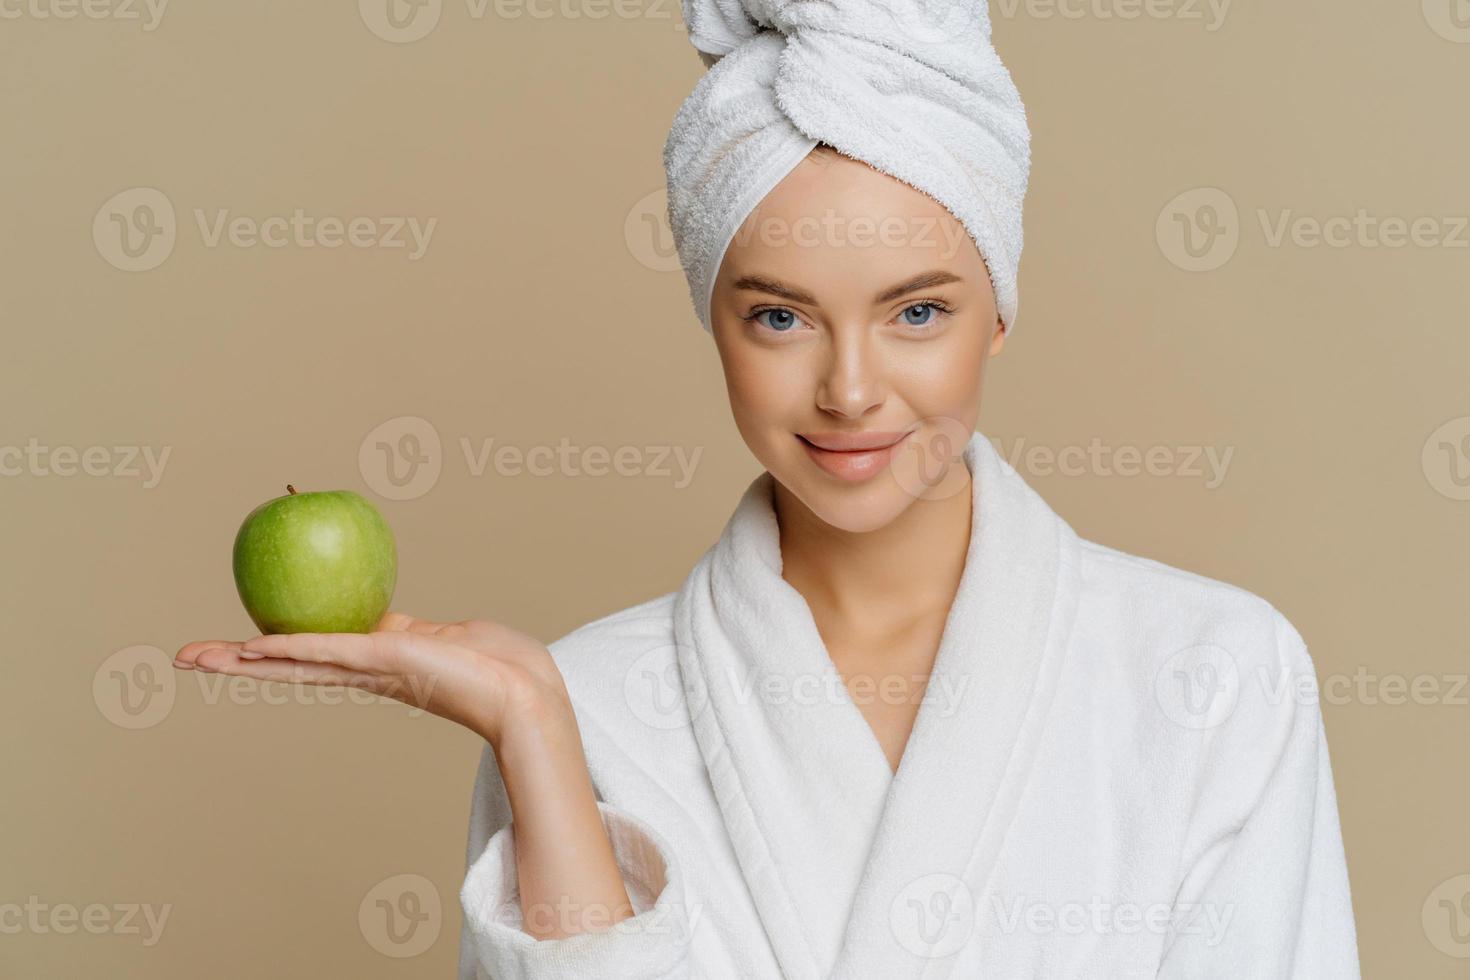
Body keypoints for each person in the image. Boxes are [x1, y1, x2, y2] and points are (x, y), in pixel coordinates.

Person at [175, 0, 1361, 977]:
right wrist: (535, 724)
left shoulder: (1217, 671)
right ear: (713, 321)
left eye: (918, 311)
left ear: (998, 312)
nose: (850, 388)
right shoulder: (584, 702)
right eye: (781, 315)